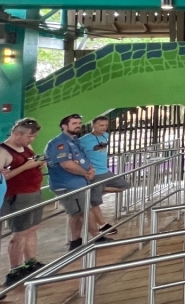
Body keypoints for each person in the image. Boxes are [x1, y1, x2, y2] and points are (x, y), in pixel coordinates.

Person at [45, 114, 107, 250]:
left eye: (79, 123)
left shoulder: (75, 141)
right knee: (84, 211)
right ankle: (97, 236)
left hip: (80, 182)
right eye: (74, 123)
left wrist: (91, 169)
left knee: (77, 212)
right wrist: (85, 173)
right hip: (68, 184)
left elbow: (84, 158)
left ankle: (75, 241)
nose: (78, 125)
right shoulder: (59, 143)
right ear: (64, 126)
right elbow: (67, 165)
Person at [0, 118, 46, 284]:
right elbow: (2, 178)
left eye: (33, 137)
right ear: (17, 134)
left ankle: (31, 261)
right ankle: (14, 270)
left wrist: (39, 164)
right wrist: (25, 167)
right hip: (17, 195)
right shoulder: (3, 151)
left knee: (32, 229)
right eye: (29, 137)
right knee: (20, 233)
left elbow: (30, 163)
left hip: (34, 191)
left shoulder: (26, 147)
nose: (31, 140)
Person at [79, 115, 127, 236]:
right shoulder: (83, 140)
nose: (104, 128)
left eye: (106, 125)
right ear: (93, 125)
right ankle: (103, 225)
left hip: (105, 171)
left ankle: (100, 188)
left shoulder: (106, 136)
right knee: (94, 201)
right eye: (101, 125)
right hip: (94, 172)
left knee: (124, 186)